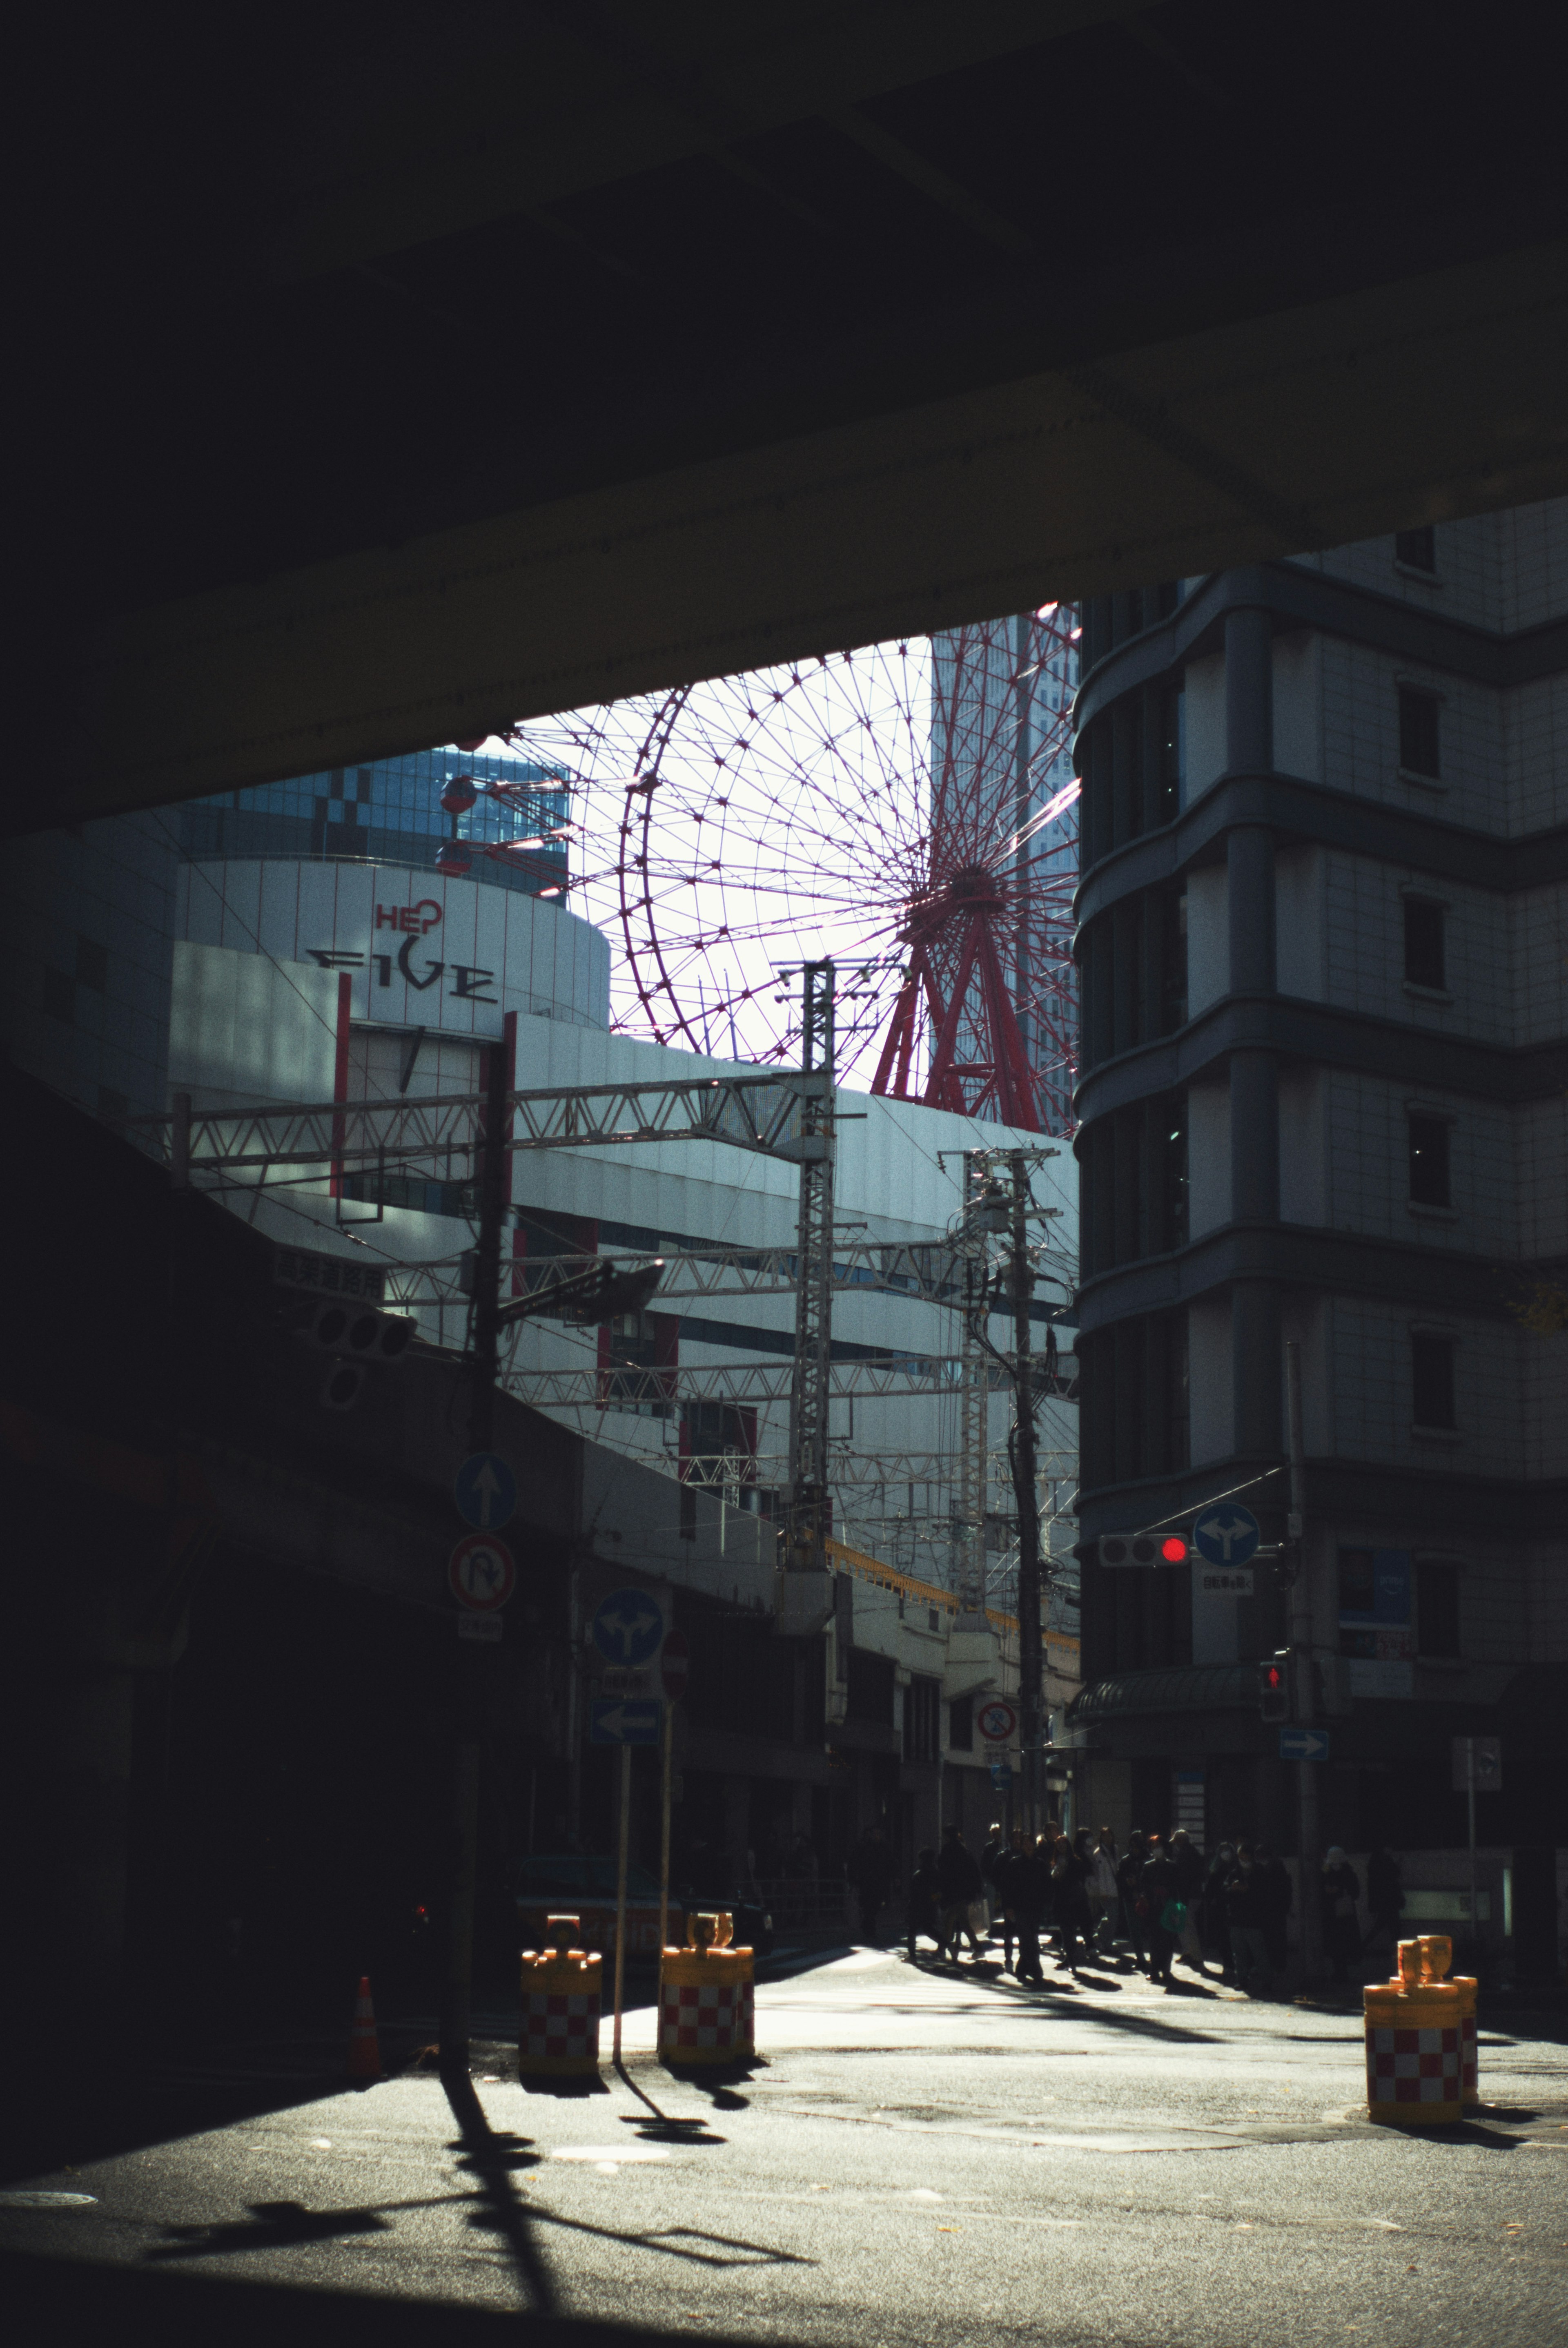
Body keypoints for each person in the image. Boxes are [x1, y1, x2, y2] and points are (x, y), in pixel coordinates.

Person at [1223, 1842, 1271, 1996]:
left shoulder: (1260, 1872)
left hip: (1254, 1919)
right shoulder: (1235, 1872)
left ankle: (1267, 1981)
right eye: (1241, 1856)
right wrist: (1233, 1889)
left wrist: (1248, 1890)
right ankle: (1242, 1980)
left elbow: (1266, 1894)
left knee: (1259, 1952)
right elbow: (1224, 1891)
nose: (1243, 1859)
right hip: (1237, 1918)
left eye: (1246, 1856)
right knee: (1239, 1952)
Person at [935, 1826, 984, 1961]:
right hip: (964, 1892)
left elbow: (943, 1872)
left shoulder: (947, 1851)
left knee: (950, 1920)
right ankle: (978, 1949)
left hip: (953, 1891)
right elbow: (974, 1871)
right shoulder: (964, 1850)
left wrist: (941, 1890)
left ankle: (942, 1949)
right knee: (962, 1922)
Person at [1007, 1833, 1049, 1985]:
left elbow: (1046, 1886)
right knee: (1025, 1937)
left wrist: (1046, 1903)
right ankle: (1035, 1967)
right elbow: (1009, 1887)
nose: (1028, 1846)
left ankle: (1023, 1968)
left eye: (1030, 1843)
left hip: (1035, 1907)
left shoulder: (1040, 1864)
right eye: (1025, 1843)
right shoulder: (1015, 1863)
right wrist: (1009, 1906)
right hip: (1020, 1906)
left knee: (1031, 1937)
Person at [1321, 1846, 1362, 1987]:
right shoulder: (1349, 1872)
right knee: (1344, 1943)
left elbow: (1321, 1889)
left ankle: (1339, 1971)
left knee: (1335, 1945)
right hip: (1346, 1914)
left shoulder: (1327, 1872)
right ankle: (1342, 1971)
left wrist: (1332, 1892)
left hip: (1332, 1915)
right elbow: (1355, 1892)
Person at [1140, 1833, 1179, 1987]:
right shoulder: (1148, 1867)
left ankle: (1166, 1970)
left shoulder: (1172, 1866)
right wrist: (1153, 1891)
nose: (1156, 1850)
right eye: (1153, 1847)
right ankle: (1155, 1969)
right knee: (1155, 1940)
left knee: (1168, 1940)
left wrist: (1167, 1891)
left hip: (1168, 1907)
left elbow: (1177, 1887)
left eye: (1159, 1847)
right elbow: (1143, 1885)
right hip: (1153, 1907)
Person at [847, 1825, 896, 1946]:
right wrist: (854, 1878)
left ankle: (868, 1925)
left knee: (875, 1905)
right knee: (866, 1904)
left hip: (880, 1881)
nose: (876, 1836)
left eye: (878, 1834)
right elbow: (854, 1863)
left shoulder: (884, 1848)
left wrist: (894, 1877)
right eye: (874, 1834)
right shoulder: (863, 1847)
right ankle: (869, 1926)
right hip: (866, 1881)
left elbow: (891, 1863)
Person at [1051, 1833, 1093, 1969]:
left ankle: (1072, 1959)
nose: (1061, 1847)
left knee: (1071, 1931)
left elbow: (1079, 1878)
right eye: (1059, 1845)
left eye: (1063, 1844)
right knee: (1065, 1932)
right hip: (1062, 1900)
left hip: (1074, 1901)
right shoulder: (1056, 1861)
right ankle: (1069, 1959)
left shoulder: (1075, 1860)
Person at [1168, 1829, 1207, 1971]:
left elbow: (1185, 1878)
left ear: (1180, 1841)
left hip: (1188, 1895)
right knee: (1184, 1924)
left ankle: (1195, 1955)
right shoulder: (1192, 1853)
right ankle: (1189, 1952)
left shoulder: (1186, 1855)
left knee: (1187, 1925)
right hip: (1192, 1894)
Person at [1254, 1842, 1293, 1977]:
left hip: (1274, 1910)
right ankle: (1275, 1966)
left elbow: (1285, 1890)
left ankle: (1277, 1966)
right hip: (1271, 1910)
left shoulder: (1275, 1868)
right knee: (1272, 1939)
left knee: (1275, 1939)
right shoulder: (1273, 1867)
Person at [1201, 1841, 1238, 1982]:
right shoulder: (1216, 1870)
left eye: (1227, 1850)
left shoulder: (1237, 1867)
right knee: (1224, 1938)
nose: (1225, 1854)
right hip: (1221, 1909)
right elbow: (1210, 1891)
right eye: (1222, 1851)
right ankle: (1228, 1965)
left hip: (1237, 1908)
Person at [1365, 1845, 1404, 1971]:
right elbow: (1394, 1874)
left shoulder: (1375, 1864)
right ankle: (1400, 1954)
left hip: (1383, 1902)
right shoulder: (1386, 1862)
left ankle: (1360, 1949)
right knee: (1393, 1928)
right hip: (1390, 1900)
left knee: (1382, 1927)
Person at [1117, 1831, 1149, 1972]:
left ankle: (1149, 1955)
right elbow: (1119, 1879)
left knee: (1147, 1928)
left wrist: (1140, 1885)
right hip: (1130, 1898)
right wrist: (1127, 1883)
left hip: (1145, 1898)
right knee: (1135, 1929)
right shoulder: (1126, 1861)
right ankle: (1140, 1957)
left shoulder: (1148, 1859)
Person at [905, 1846, 941, 1961]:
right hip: (930, 1905)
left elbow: (913, 1892)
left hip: (917, 1906)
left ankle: (912, 1955)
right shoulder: (936, 1873)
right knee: (929, 1929)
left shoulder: (919, 1874)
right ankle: (945, 1944)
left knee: (912, 1930)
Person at [1089, 1827, 1120, 1955]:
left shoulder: (1115, 1850)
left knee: (1114, 1918)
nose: (1108, 1838)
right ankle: (1099, 1936)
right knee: (1110, 1916)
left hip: (1115, 1889)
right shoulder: (1099, 1853)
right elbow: (1100, 1874)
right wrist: (1103, 1891)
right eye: (1105, 1836)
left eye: (1109, 1836)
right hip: (1105, 1891)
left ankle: (1108, 1943)